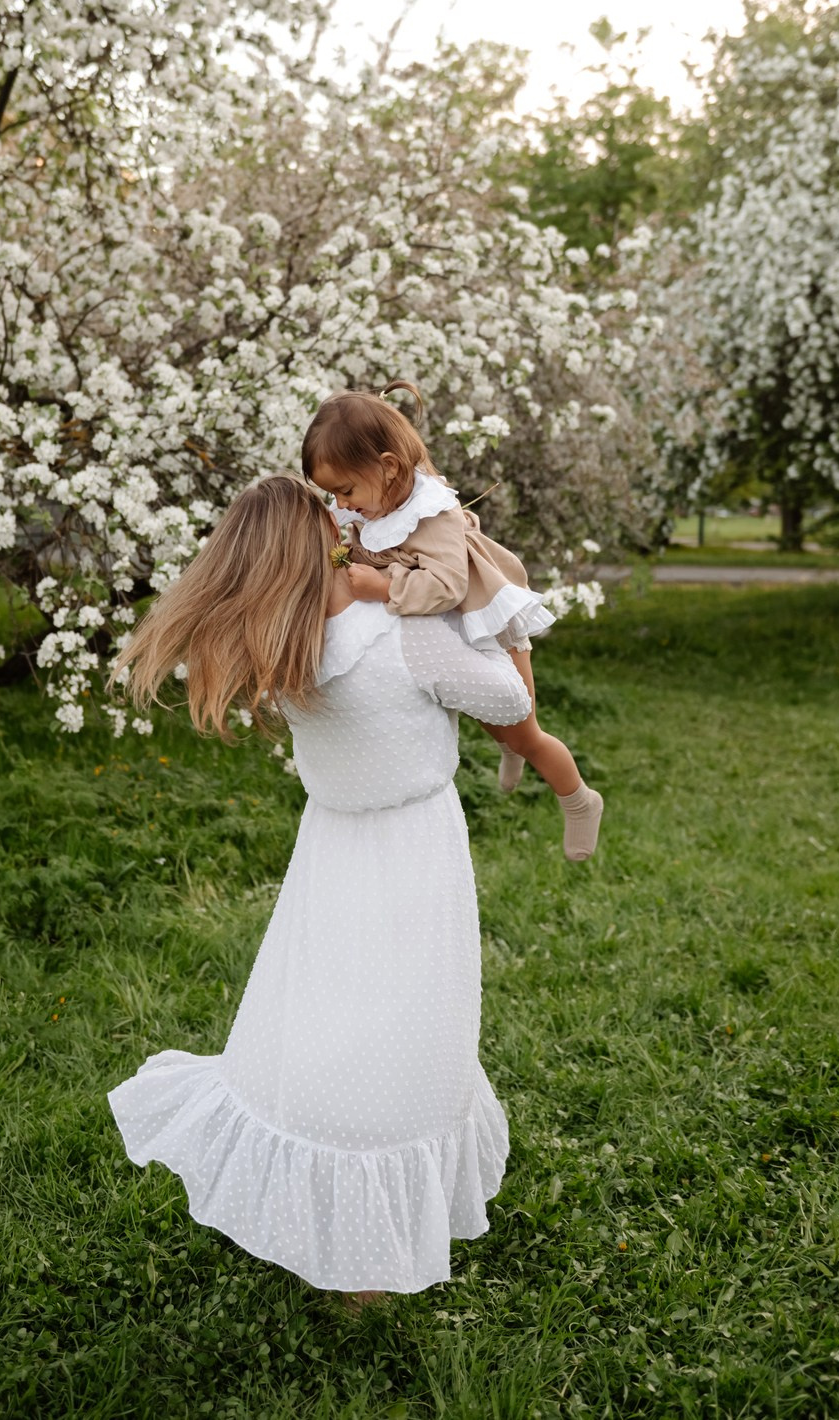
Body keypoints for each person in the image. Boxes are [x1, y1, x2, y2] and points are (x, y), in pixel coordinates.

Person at [107, 474, 539, 1298]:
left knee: (329, 1008)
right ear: (320, 542)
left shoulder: (283, 649)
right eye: (331, 517)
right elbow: (508, 700)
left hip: (332, 848)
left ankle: (322, 1184)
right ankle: (370, 1242)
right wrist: (488, 619)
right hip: (411, 848)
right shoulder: (403, 635)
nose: (347, 522)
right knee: (406, 1019)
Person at [302, 383, 603, 863]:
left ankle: (579, 799)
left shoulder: (431, 512)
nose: (341, 503)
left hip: (486, 624)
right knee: (493, 720)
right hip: (449, 633)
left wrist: (384, 587)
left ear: (389, 467)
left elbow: (448, 587)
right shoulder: (379, 500)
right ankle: (508, 746)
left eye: (345, 490)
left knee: (526, 730)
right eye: (332, 493)